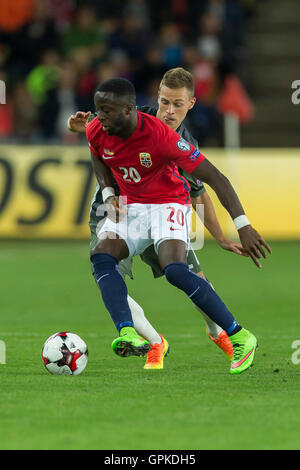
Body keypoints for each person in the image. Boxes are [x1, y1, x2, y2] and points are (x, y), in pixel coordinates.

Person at [84, 77, 271, 375]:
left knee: (175, 271)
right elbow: (97, 154)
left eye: (107, 110)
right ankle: (128, 332)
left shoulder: (162, 137)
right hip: (130, 204)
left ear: (129, 110)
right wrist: (109, 193)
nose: (100, 116)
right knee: (102, 258)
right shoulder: (96, 127)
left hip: (167, 203)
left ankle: (238, 335)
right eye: (98, 109)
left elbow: (215, 179)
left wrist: (242, 226)